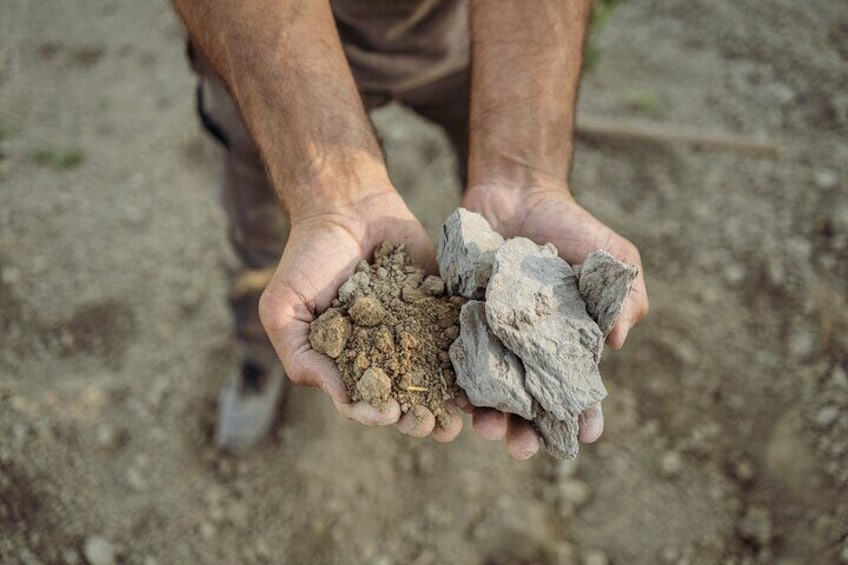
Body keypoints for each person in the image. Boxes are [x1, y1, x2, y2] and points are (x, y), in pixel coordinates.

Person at [172, 0, 649, 460]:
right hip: (257, 41)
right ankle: (257, 357)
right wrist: (330, 196)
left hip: (467, 31)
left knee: (504, 197)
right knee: (264, 238)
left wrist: (523, 172)